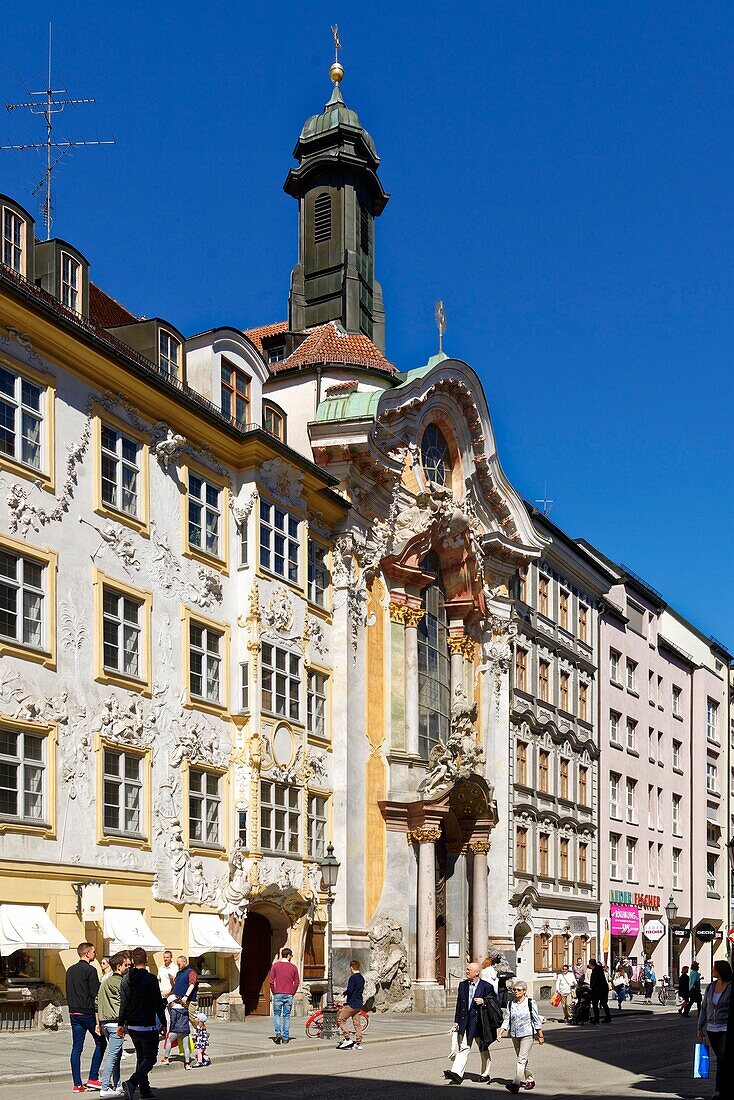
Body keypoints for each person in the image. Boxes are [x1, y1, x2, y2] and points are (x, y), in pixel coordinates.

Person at [117, 946, 167, 1100]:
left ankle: (144, 1091)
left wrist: (121, 1023)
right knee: (150, 1058)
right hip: (147, 1025)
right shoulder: (150, 979)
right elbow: (157, 1002)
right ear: (146, 960)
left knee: (141, 1057)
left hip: (132, 1025)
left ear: (132, 961)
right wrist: (164, 1023)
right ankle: (131, 1083)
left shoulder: (126, 979)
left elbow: (123, 1003)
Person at [443, 961, 495, 1084]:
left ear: (477, 973)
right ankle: (456, 1074)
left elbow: (494, 1002)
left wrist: (484, 1001)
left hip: (480, 1023)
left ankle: (485, 1073)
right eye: (467, 969)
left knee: (483, 1048)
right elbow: (459, 1004)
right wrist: (456, 1021)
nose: (466, 971)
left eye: (469, 970)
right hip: (465, 1022)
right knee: (464, 1047)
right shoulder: (463, 985)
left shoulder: (486, 986)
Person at [66, 941, 105, 1094]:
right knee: (101, 1042)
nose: (95, 954)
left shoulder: (70, 970)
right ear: (87, 953)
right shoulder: (90, 970)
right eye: (94, 952)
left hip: (73, 1012)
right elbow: (96, 994)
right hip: (87, 1012)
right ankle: (93, 1077)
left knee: (76, 1047)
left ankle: (77, 1084)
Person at [498, 979, 545, 1092]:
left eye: (519, 990)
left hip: (527, 1034)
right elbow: (507, 1018)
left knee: (521, 1059)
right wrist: (501, 1031)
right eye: (514, 990)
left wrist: (540, 1035)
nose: (516, 992)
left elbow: (536, 1019)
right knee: (522, 1059)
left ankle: (516, 1083)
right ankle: (530, 1079)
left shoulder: (530, 1003)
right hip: (514, 1034)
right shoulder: (511, 1003)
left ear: (524, 991)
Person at [696, 958, 732, 1100]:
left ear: (720, 970)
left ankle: (718, 1090)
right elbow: (704, 1008)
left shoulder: (730, 987)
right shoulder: (711, 987)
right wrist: (700, 1027)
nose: (712, 970)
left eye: (714, 968)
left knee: (721, 1059)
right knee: (720, 1058)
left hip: (725, 1027)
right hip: (712, 1029)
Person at [98, 951, 131, 1098]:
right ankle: (105, 1086)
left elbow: (96, 1003)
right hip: (115, 1023)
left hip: (105, 1022)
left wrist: (98, 1022)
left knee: (116, 1055)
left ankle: (117, 1085)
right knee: (112, 1055)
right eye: (126, 965)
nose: (127, 968)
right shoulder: (120, 982)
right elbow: (126, 1002)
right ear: (118, 966)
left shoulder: (105, 982)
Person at [268, 947, 300, 1045]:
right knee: (286, 1016)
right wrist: (292, 992)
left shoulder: (275, 966)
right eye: (291, 956)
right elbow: (297, 983)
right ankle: (285, 1038)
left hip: (278, 993)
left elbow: (271, 981)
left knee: (277, 1014)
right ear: (289, 955)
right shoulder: (293, 967)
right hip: (289, 994)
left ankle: (278, 1033)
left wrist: (274, 992)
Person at [337, 959, 367, 1051]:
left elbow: (350, 990)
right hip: (359, 1004)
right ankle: (358, 1043)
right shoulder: (362, 978)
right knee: (357, 1024)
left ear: (351, 968)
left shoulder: (352, 978)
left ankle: (347, 1039)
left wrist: (344, 993)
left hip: (352, 1004)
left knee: (341, 1019)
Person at [160, 996, 192, 1069]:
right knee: (186, 1046)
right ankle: (187, 1064)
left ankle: (166, 1058)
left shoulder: (174, 1010)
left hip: (176, 1029)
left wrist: (170, 1030)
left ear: (172, 1002)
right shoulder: (185, 1009)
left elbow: (173, 1021)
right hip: (185, 1029)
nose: (169, 1005)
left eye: (170, 1004)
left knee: (169, 1040)